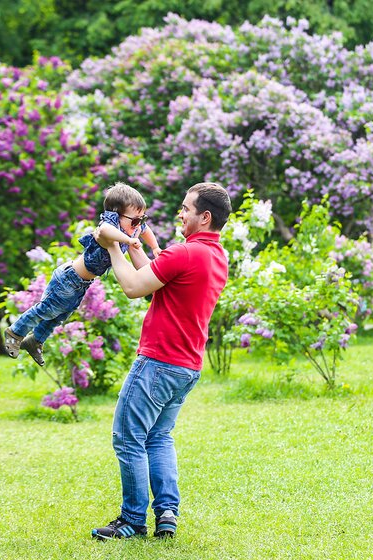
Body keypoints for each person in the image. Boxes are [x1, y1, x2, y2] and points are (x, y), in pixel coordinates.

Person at [90, 182, 231, 540]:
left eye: (185, 209)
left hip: (158, 362)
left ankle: (133, 520)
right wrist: (137, 246)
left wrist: (114, 247)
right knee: (159, 437)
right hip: (187, 366)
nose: (179, 214)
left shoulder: (185, 252)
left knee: (128, 437)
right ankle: (167, 513)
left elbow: (135, 287)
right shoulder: (216, 256)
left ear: (205, 216)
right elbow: (157, 279)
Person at [3, 182, 161, 366]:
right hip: (68, 279)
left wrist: (155, 247)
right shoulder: (109, 228)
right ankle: (15, 332)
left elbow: (145, 230)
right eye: (135, 221)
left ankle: (35, 341)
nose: (138, 226)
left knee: (59, 316)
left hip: (81, 284)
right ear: (115, 215)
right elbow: (105, 230)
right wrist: (128, 239)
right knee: (46, 309)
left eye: (141, 219)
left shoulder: (131, 227)